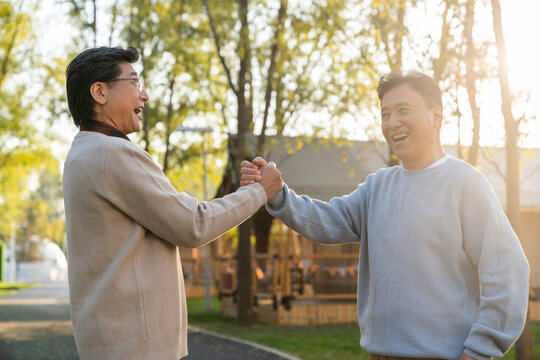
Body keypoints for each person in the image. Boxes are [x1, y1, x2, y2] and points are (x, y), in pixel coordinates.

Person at [240, 71, 530, 360]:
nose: (392, 123)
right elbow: (324, 221)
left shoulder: (465, 183)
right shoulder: (377, 187)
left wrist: (480, 350)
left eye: (403, 110)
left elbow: (508, 272)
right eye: (385, 114)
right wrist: (276, 193)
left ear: (436, 116)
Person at [63, 46, 283, 360]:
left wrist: (243, 193)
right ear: (99, 92)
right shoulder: (110, 153)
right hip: (137, 347)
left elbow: (174, 219)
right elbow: (193, 224)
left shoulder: (84, 153)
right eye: (135, 83)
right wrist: (260, 192)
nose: (145, 95)